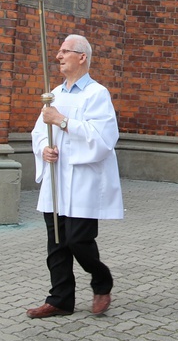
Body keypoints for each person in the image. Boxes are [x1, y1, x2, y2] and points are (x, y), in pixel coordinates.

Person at [27, 34, 124, 319]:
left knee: (78, 240)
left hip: (83, 180)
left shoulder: (97, 94)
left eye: (65, 51)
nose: (58, 56)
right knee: (56, 243)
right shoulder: (54, 93)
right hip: (57, 179)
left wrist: (62, 121)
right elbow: (37, 132)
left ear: (82, 57)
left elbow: (104, 137)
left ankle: (102, 280)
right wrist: (44, 149)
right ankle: (60, 299)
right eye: (58, 51)